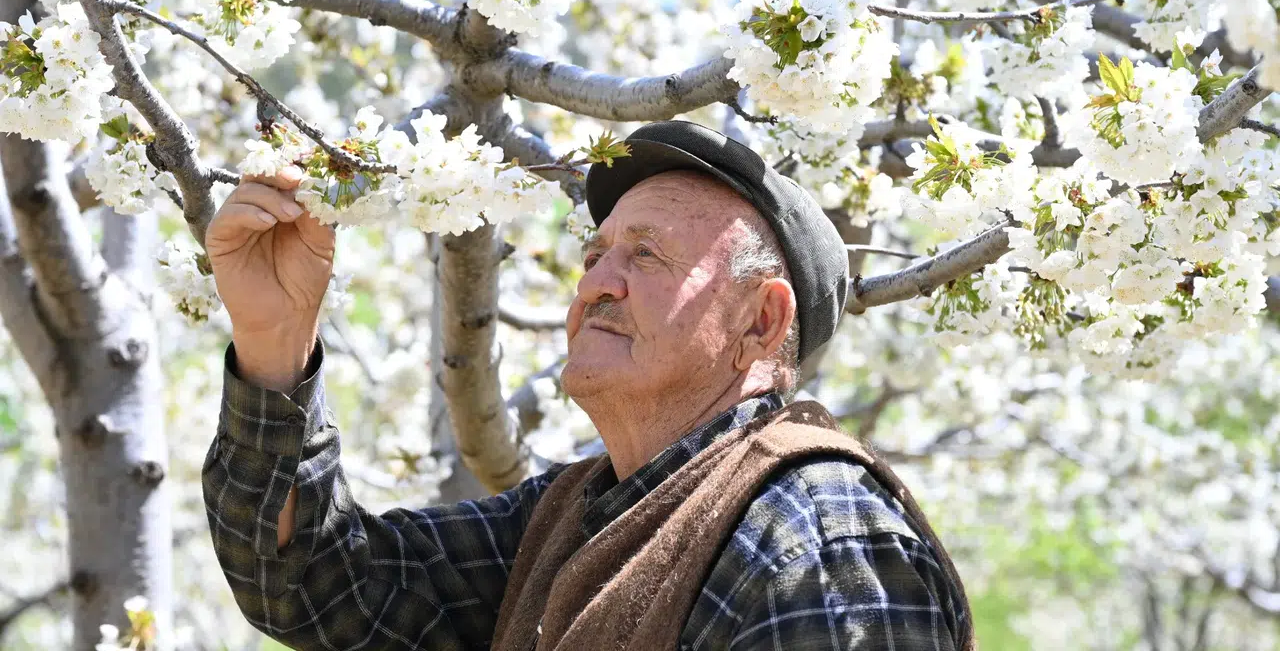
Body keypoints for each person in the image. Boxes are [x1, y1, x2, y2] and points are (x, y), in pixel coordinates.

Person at [203, 120, 973, 650]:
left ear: (762, 325)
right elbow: (312, 582)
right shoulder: (568, 519)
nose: (596, 285)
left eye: (645, 257)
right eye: (594, 256)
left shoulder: (817, 533)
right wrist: (276, 342)